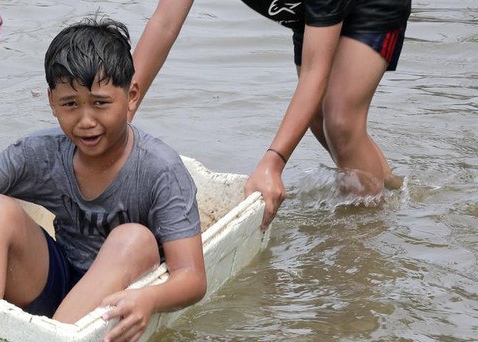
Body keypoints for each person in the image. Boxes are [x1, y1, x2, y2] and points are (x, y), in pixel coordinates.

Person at [0, 18, 208, 342]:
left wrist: (149, 299)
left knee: (133, 238)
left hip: (123, 290)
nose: (85, 121)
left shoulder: (160, 169)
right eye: (70, 104)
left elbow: (192, 278)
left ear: (131, 96)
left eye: (100, 103)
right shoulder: (39, 153)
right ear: (52, 102)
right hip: (59, 281)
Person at [129, 0, 412, 229]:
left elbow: (316, 73)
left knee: (340, 120)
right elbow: (164, 23)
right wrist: (120, 114)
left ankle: (370, 239)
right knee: (317, 119)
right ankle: (399, 193)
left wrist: (272, 165)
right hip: (313, 15)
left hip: (372, 5)